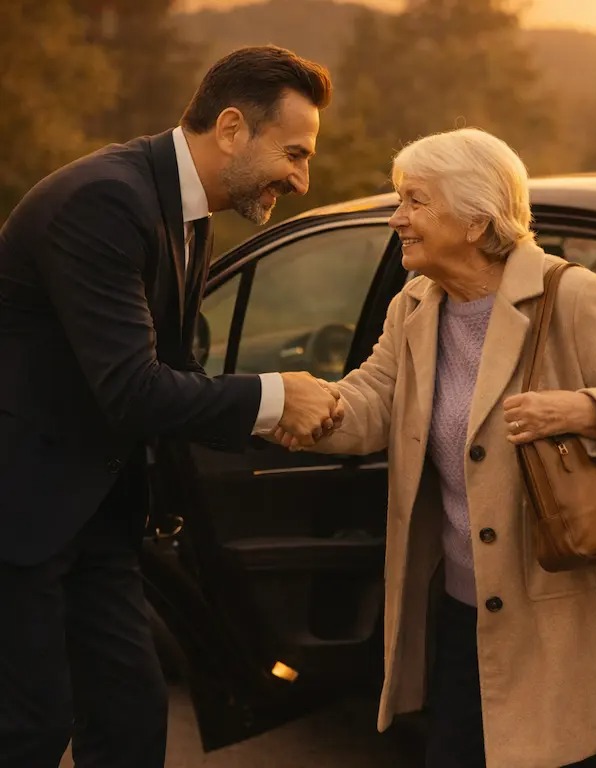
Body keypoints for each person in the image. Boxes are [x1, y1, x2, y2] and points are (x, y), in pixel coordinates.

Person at [274, 128, 596, 768]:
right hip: (464, 615)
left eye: (415, 202)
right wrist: (298, 411)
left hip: (570, 620)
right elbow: (373, 401)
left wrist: (583, 408)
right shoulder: (413, 304)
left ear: (475, 221)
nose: (397, 219)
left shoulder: (573, 294)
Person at [0, 46, 341, 768]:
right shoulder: (104, 201)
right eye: (294, 153)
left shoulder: (187, 211)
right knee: (29, 727)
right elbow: (133, 388)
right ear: (229, 128)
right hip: (20, 509)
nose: (302, 179)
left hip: (96, 516)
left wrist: (278, 424)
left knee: (130, 712)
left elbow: (175, 374)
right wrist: (276, 396)